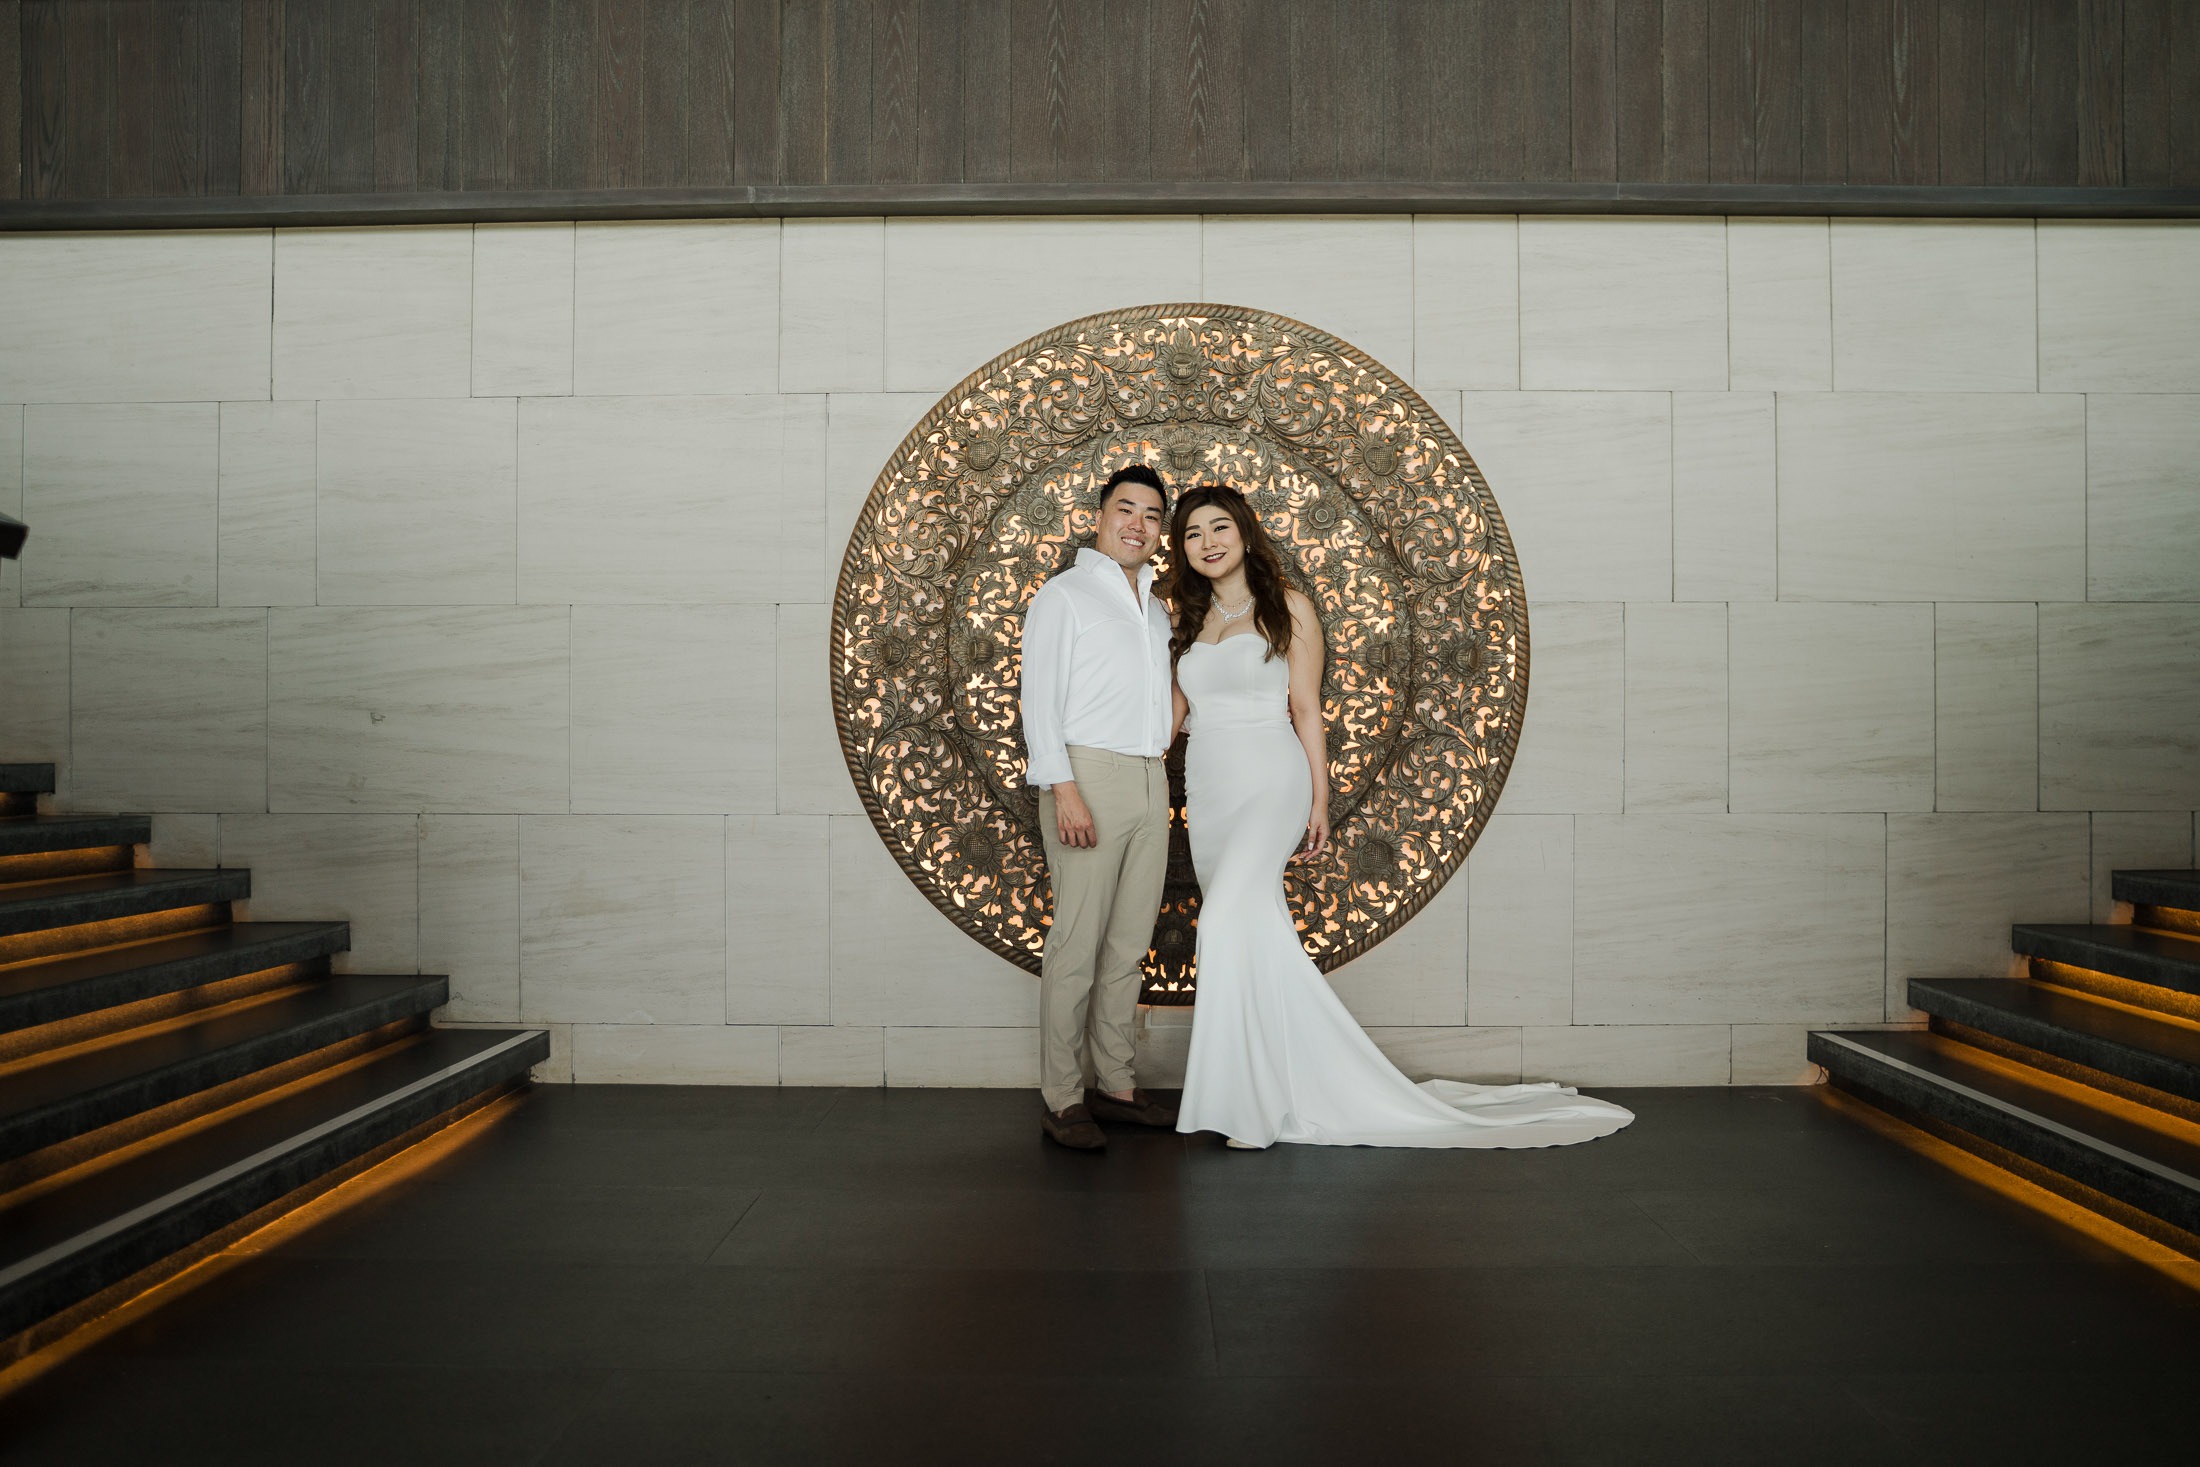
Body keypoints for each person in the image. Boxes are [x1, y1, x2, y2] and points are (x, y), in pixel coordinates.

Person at [1164, 485, 1634, 1149]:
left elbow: (1305, 709)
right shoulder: (1186, 620)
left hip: (1271, 781)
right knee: (1254, 937)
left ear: (1244, 533)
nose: (1208, 542)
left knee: (1222, 923)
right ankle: (1267, 1091)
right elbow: (1171, 722)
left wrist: (1319, 800)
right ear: (1182, 549)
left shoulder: (1288, 607)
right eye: (1192, 534)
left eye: (1220, 527)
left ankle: (1246, 1105)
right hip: (1209, 791)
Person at [1018, 465, 1182, 1150]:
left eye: (1151, 514)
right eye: (1126, 508)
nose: (1137, 523)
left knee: (1127, 945)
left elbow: (1162, 702)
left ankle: (1115, 1082)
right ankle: (1062, 1096)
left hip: (1151, 781)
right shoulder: (1065, 595)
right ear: (1100, 516)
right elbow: (1039, 699)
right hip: (1087, 775)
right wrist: (1064, 787)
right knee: (1077, 943)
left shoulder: (1156, 608)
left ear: (1160, 531)